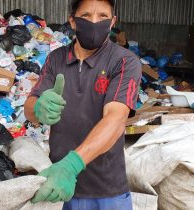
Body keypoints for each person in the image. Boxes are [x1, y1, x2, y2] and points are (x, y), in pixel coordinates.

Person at [24, 0, 142, 209]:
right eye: (86, 16)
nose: (95, 22)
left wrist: (72, 165)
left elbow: (115, 119)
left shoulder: (124, 61)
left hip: (107, 191)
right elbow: (30, 108)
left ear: (113, 22)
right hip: (60, 188)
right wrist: (38, 108)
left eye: (103, 16)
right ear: (73, 21)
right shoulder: (55, 59)